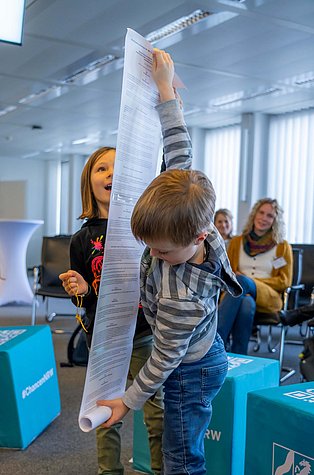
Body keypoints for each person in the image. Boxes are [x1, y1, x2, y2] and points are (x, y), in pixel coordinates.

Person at [97, 49, 242, 475]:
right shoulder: (188, 207)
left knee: (181, 458)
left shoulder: (183, 298)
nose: (154, 254)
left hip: (189, 370)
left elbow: (163, 359)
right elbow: (179, 152)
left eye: (161, 251)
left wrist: (127, 402)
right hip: (200, 350)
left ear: (199, 236)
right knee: (183, 449)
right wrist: (165, 88)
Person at [59, 165, 163, 470]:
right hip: (104, 339)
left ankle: (161, 469)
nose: (111, 174)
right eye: (102, 168)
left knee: (157, 413)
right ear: (89, 182)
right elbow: (85, 295)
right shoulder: (81, 239)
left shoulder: (145, 225)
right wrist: (77, 288)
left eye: (119, 166)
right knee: (103, 413)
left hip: (144, 333)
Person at [218, 197, 293, 355]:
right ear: (254, 214)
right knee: (246, 303)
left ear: (275, 221)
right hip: (239, 297)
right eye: (262, 212)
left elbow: (284, 281)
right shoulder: (237, 242)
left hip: (268, 297)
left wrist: (252, 281)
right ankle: (238, 356)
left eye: (270, 216)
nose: (264, 218)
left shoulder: (282, 246)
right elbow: (227, 272)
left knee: (242, 282)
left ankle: (216, 341)